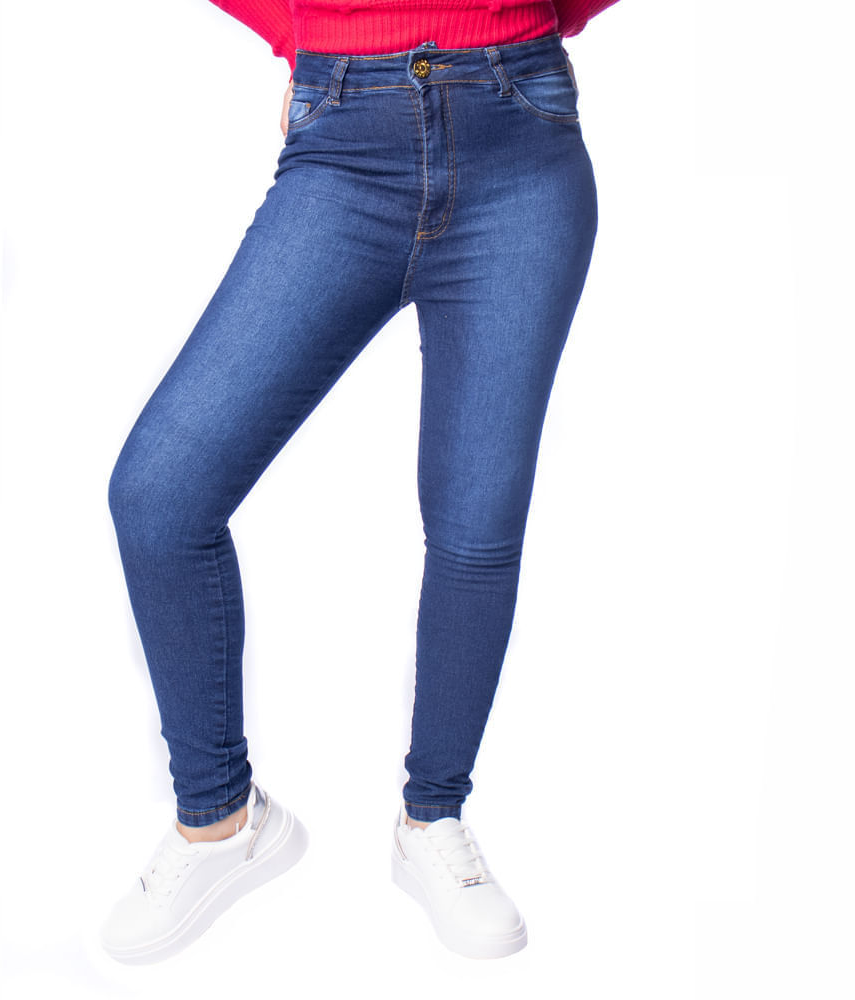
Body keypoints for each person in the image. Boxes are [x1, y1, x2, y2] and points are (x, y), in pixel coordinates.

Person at [98, 0, 618, 964]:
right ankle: (219, 820)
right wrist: (298, 30)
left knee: (476, 525)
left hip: (520, 135)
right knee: (159, 495)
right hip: (343, 142)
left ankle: (434, 818)